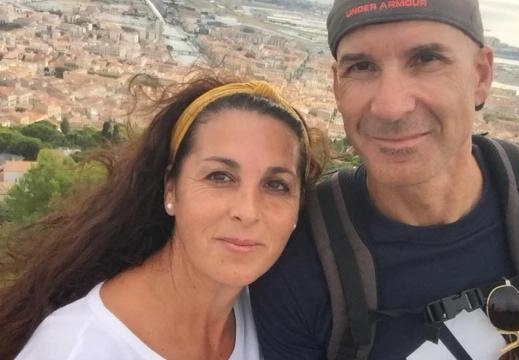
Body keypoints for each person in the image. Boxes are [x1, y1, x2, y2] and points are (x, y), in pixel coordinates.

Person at [250, 0, 519, 359]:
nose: (390, 106)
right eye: (362, 66)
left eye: (426, 60)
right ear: (337, 87)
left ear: (481, 75)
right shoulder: (297, 260)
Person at [0, 75, 326, 360]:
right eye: (220, 177)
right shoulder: (76, 348)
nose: (247, 211)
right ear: (171, 189)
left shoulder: (274, 316)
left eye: (276, 185)